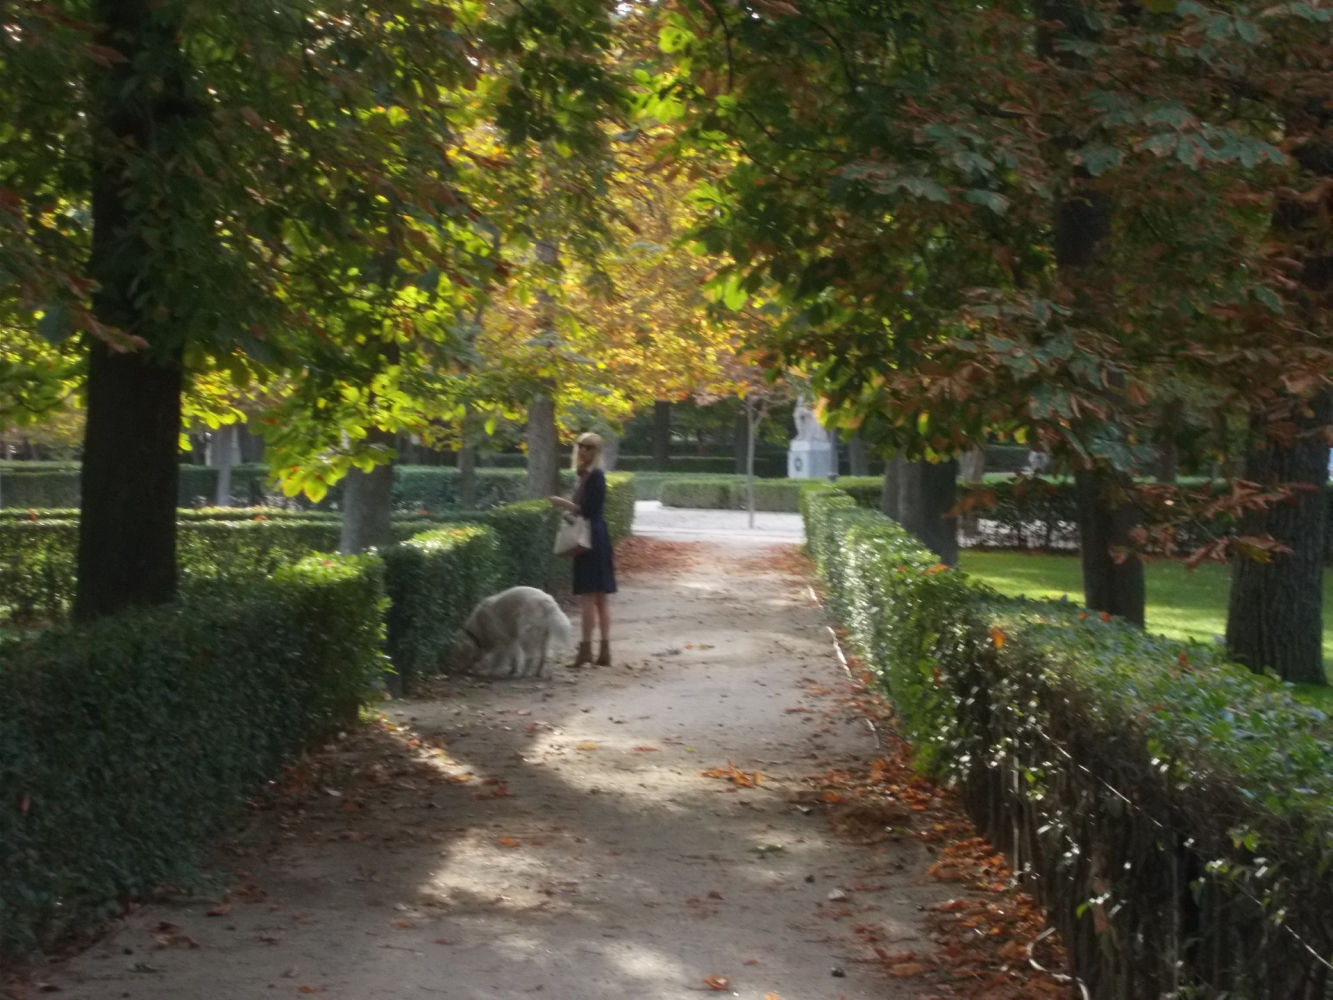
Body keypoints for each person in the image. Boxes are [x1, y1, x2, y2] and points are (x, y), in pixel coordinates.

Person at [548, 432, 617, 667]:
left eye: (589, 447)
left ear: (597, 452)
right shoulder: (585, 474)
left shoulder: (595, 476)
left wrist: (563, 503)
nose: (584, 451)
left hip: (591, 538)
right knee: (598, 597)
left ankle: (589, 650)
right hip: (594, 535)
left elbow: (588, 510)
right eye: (581, 446)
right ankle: (600, 652)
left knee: (591, 596)